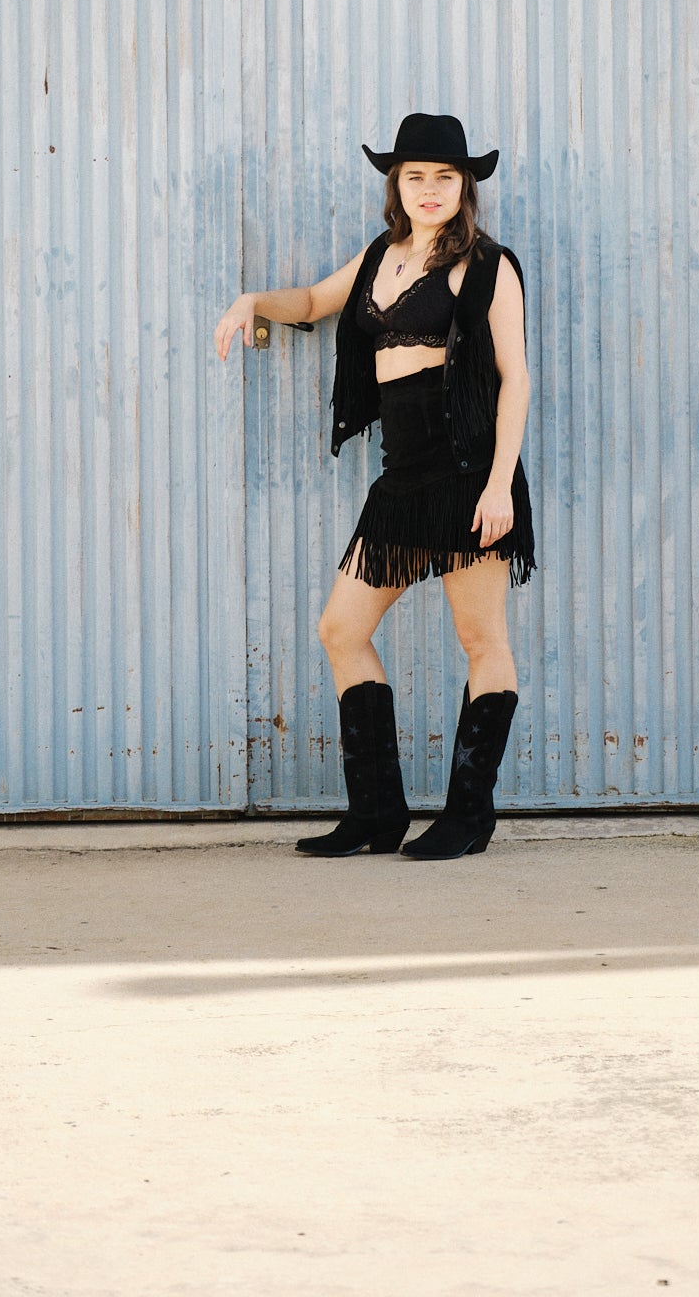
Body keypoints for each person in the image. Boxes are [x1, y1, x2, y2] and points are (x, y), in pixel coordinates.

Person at [214, 113, 536, 861]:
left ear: (465, 187)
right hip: (402, 478)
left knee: (480, 638)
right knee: (341, 629)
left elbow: (515, 378)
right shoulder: (378, 257)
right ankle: (377, 812)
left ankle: (468, 815)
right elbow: (310, 303)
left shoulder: (488, 265)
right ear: (397, 184)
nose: (430, 189)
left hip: (468, 473)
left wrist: (499, 486)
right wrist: (250, 301)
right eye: (415, 176)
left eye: (445, 177)